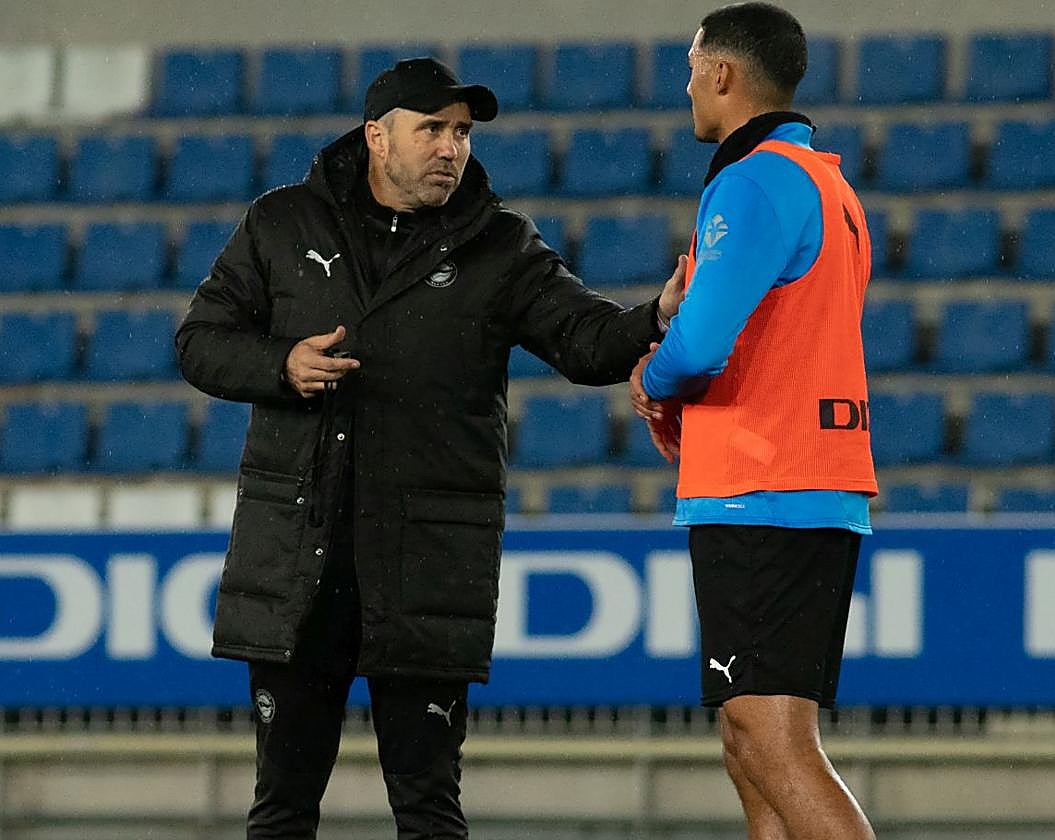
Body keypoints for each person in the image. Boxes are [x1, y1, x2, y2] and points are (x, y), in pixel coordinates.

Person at [176, 57, 682, 838]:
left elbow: (586, 342)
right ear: (377, 136)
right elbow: (199, 342)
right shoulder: (283, 223)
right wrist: (280, 365)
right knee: (280, 809)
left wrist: (655, 316)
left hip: (424, 569)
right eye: (432, 129)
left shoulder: (501, 246)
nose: (451, 148)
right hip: (298, 567)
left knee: (429, 810)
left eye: (462, 133)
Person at [629, 4, 878, 839]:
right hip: (794, 481)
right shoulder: (829, 186)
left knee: (774, 743)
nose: (687, 85)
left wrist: (653, 379)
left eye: (692, 66)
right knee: (746, 737)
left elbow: (698, 342)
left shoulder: (754, 180)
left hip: (768, 485)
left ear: (723, 74)